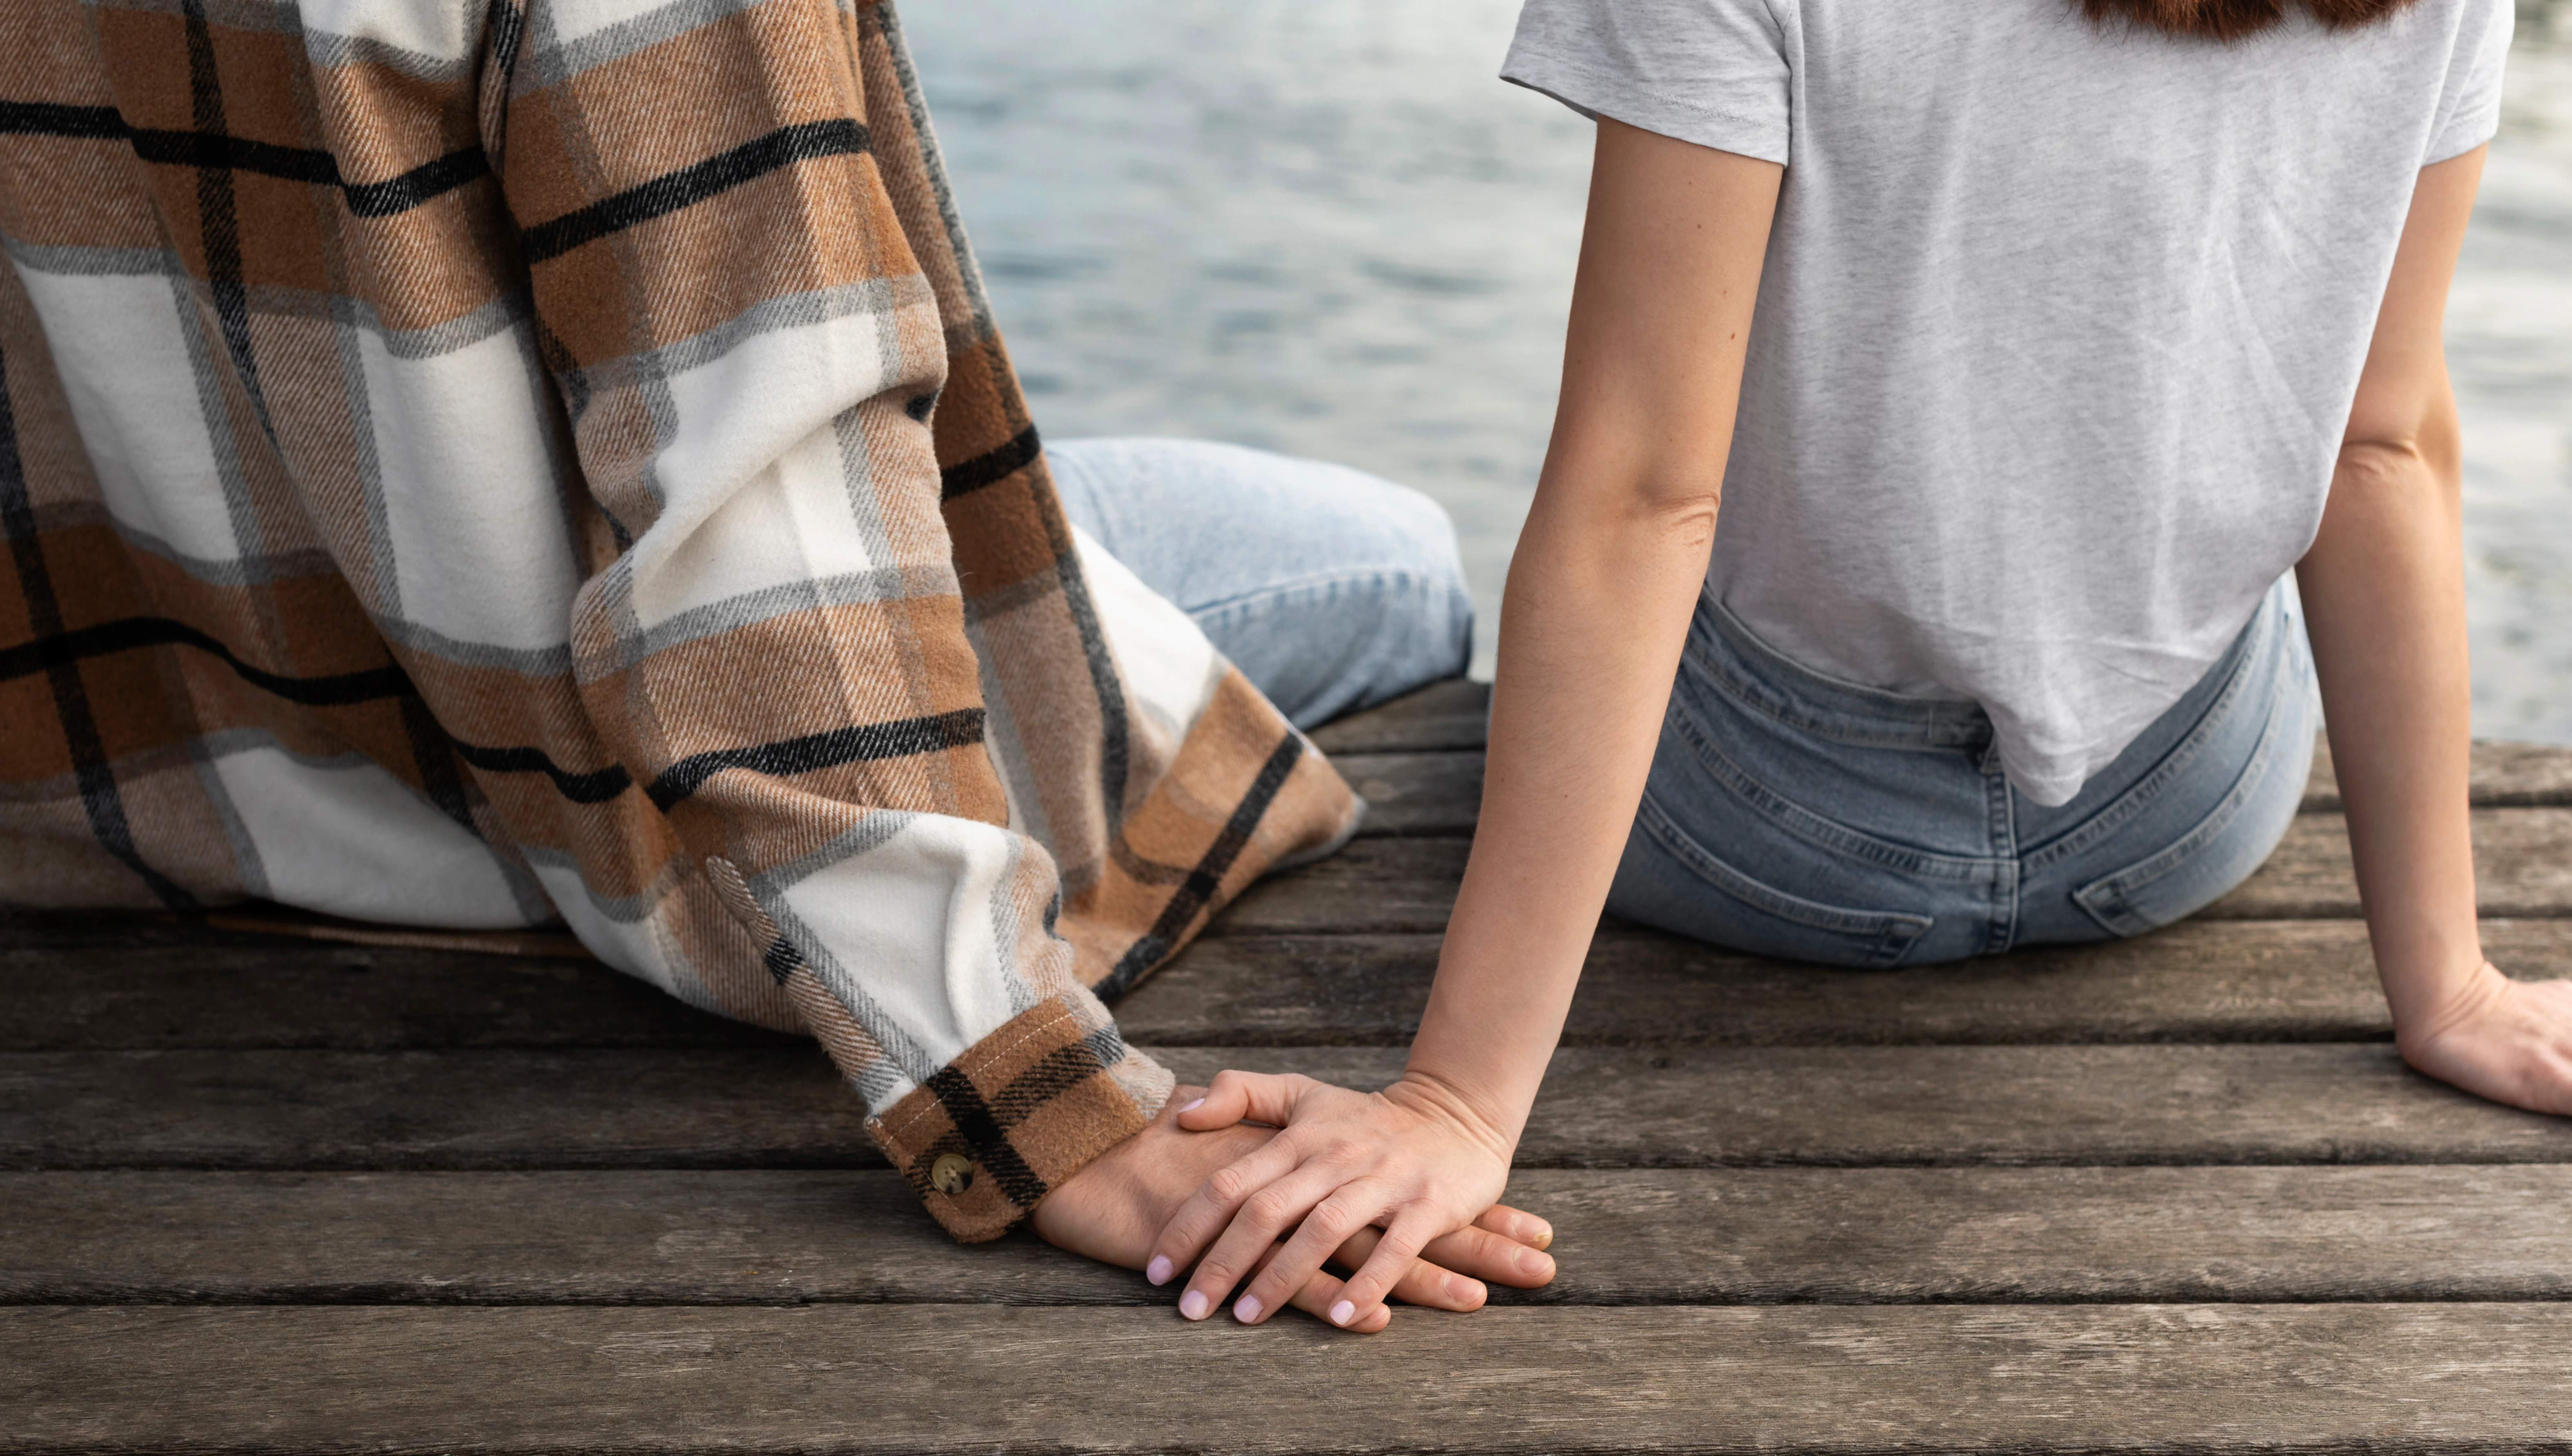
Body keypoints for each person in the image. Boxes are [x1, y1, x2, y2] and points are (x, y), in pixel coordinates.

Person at [0, 0, 1548, 1328]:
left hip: (146, 778)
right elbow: (767, 492)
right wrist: (1045, 1104)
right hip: (561, 807)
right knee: (1396, 554)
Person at [1136, 0, 2572, 1333]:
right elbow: (2379, 448)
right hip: (2177, 814)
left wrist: (1454, 1101)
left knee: (1410, 574)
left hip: (1768, 835)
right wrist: (2450, 986)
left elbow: (1644, 499)